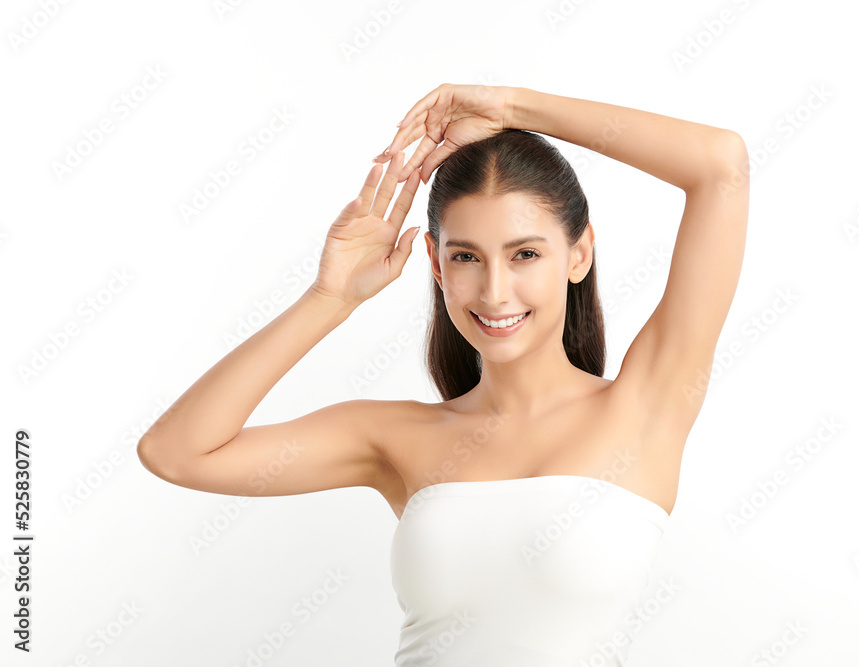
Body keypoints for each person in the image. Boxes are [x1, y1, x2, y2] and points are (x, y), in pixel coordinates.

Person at [137, 83, 750, 666]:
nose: (494, 291)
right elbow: (177, 452)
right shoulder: (395, 436)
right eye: (466, 257)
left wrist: (510, 105)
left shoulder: (646, 404)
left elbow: (721, 166)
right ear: (434, 261)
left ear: (579, 254)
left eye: (526, 254)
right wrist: (329, 298)